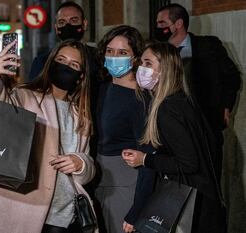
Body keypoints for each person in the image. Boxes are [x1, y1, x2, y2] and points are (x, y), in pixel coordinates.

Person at [0, 39, 96, 233]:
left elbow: (87, 169)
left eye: (74, 65)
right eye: (61, 59)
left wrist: (81, 163)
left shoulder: (81, 115)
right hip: (23, 208)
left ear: (81, 76)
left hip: (64, 214)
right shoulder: (25, 97)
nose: (66, 66)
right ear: (50, 63)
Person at [122, 42, 225, 233]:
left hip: (192, 205)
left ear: (164, 71)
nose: (141, 69)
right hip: (202, 199)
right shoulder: (180, 100)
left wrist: (145, 159)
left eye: (148, 63)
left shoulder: (167, 109)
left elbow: (188, 163)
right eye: (141, 63)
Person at [154, 3, 241, 181]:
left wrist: (226, 107)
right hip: (174, 127)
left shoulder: (209, 45)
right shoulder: (157, 53)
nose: (157, 28)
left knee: (210, 176)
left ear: (178, 24)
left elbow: (232, 77)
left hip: (207, 123)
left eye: (162, 23)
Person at [94, 25, 155, 233]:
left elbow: (148, 157)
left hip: (125, 185)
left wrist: (137, 208)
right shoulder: (101, 88)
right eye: (109, 51)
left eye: (122, 53)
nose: (114, 57)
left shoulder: (141, 99)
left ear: (135, 58)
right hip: (96, 181)